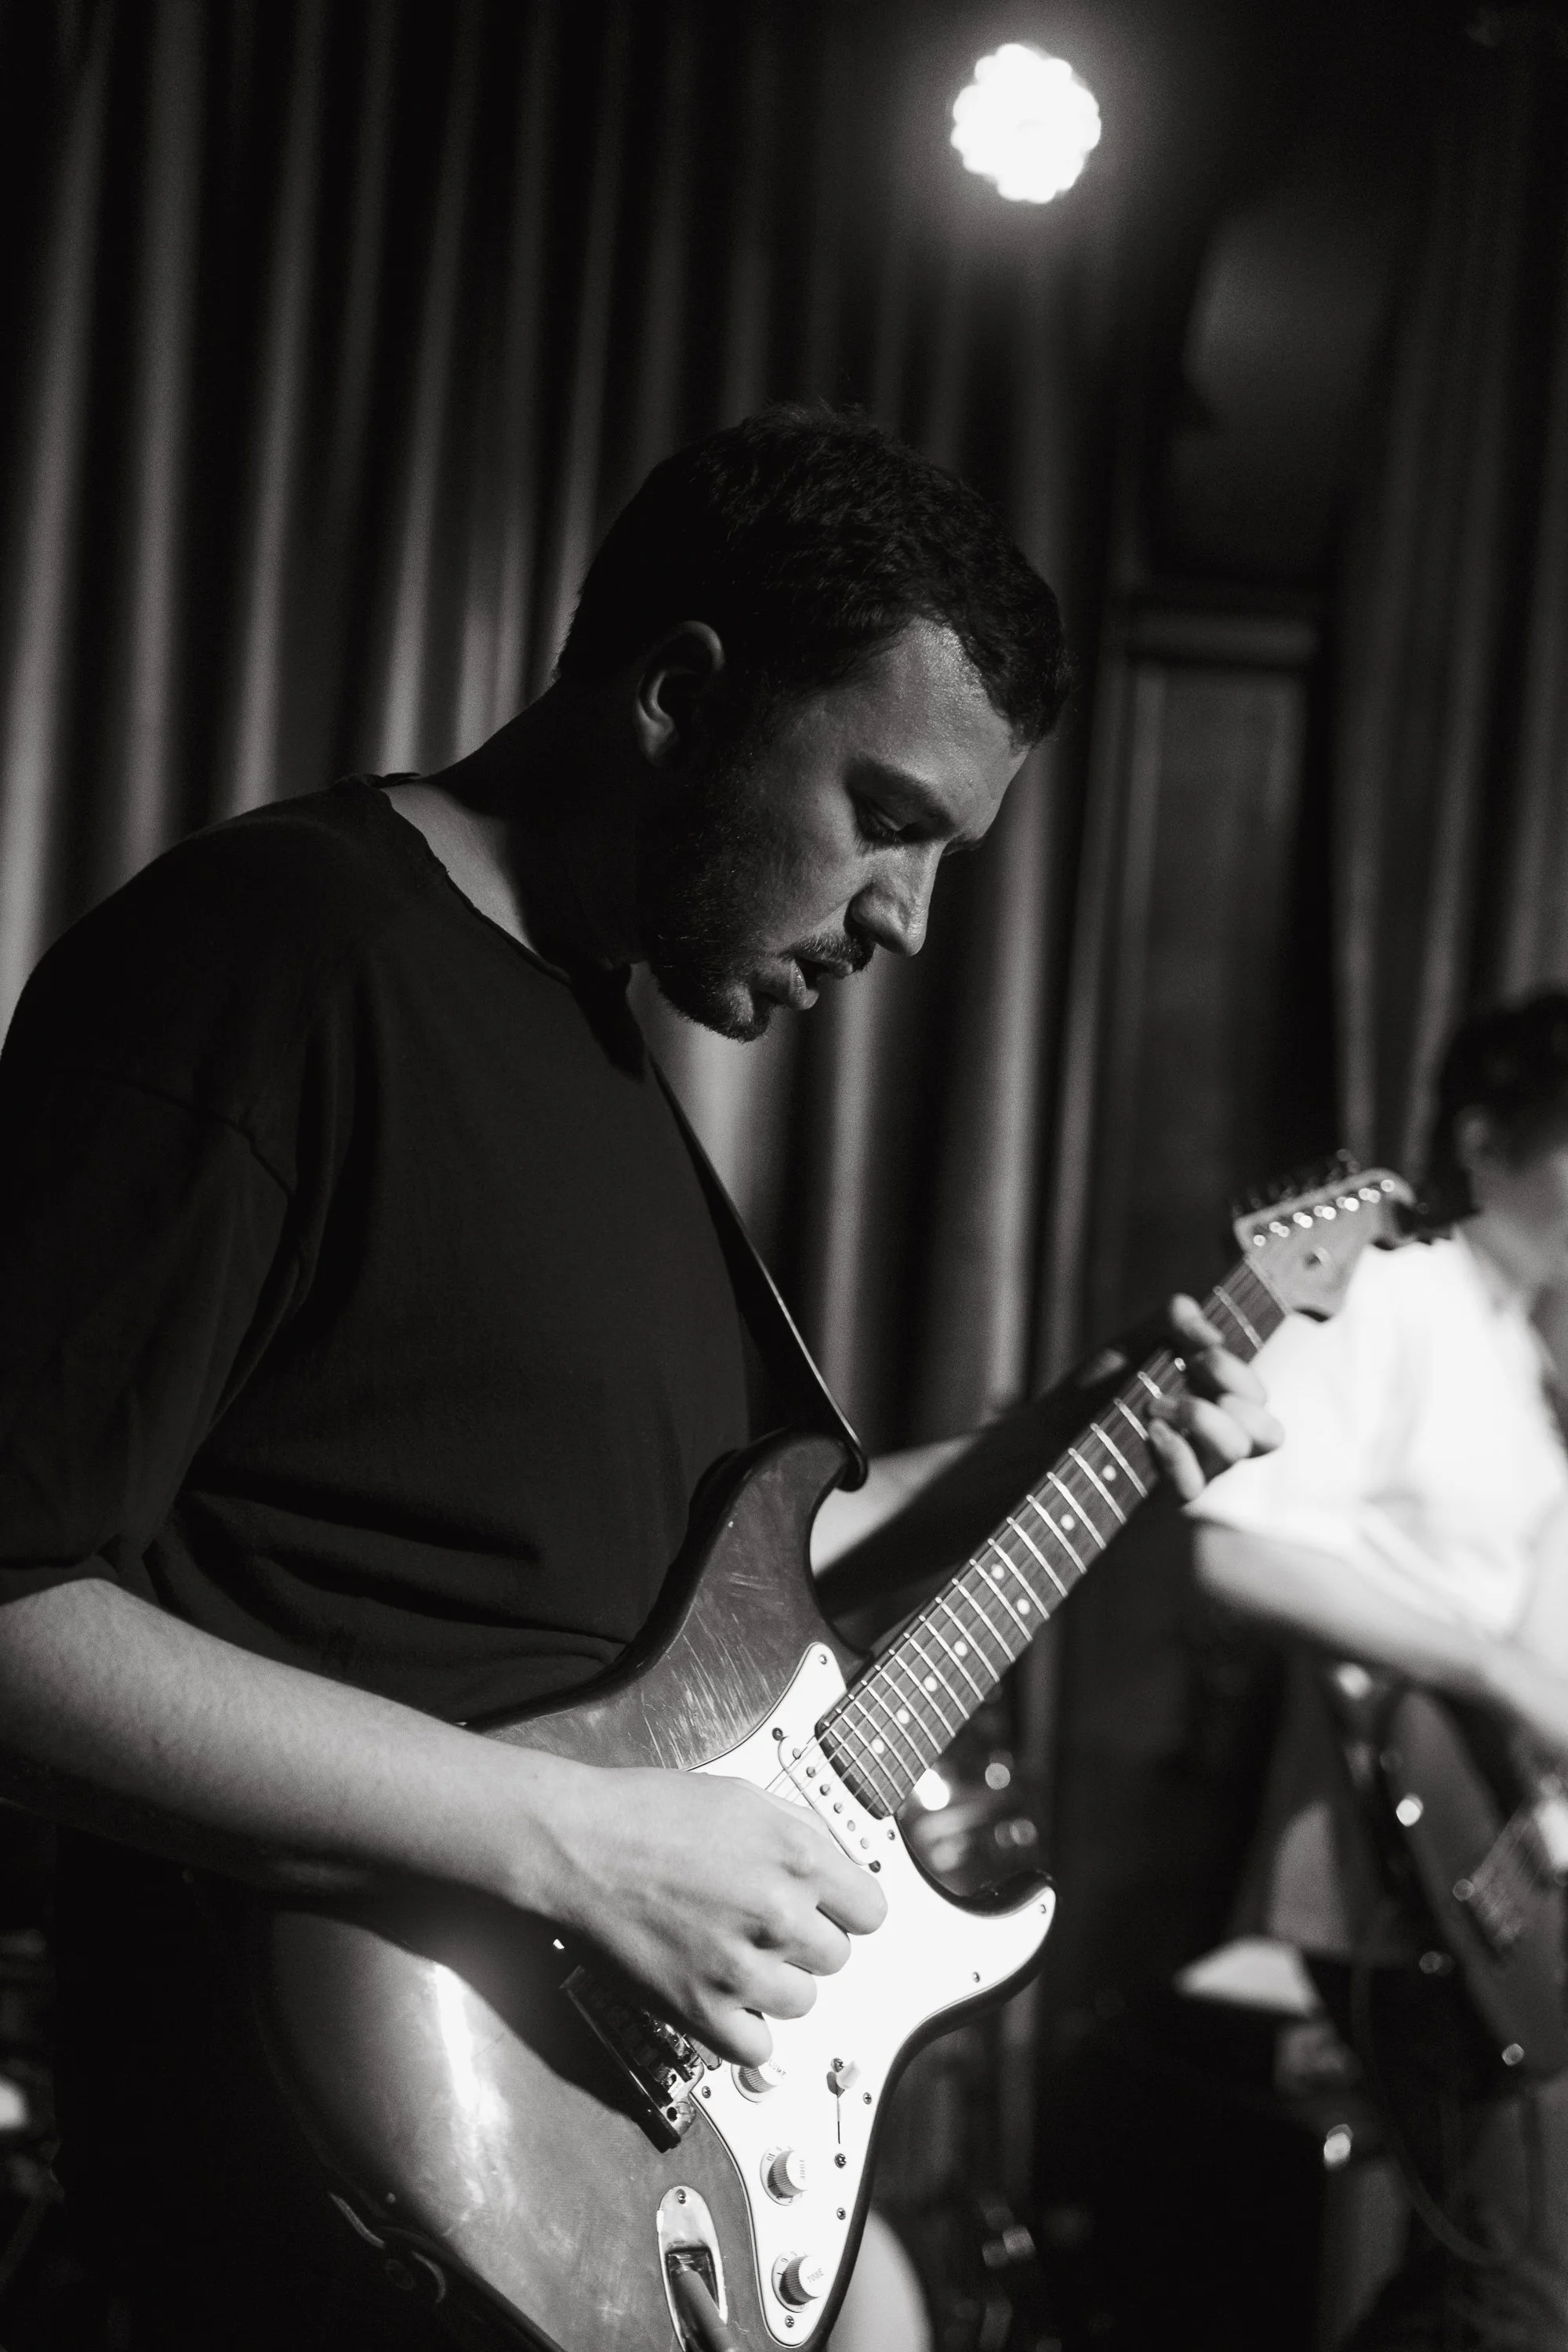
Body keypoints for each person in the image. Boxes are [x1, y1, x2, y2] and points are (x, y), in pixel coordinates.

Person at [0, 405, 1276, 2349]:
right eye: (887, 818)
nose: (906, 921)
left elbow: (711, 1602)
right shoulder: (276, 956)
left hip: (578, 2175)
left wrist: (1075, 1433)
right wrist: (575, 1843)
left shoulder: (598, 1051)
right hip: (309, 2194)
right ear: (679, 694)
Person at [1189, 991, 1568, 2351]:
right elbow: (1238, 1551)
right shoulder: (1391, 1293)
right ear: (1484, 1142)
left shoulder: (1523, 1349)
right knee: (1514, 2290)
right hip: (1404, 1872)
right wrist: (1499, 1670)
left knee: (1503, 2281)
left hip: (1502, 1866)